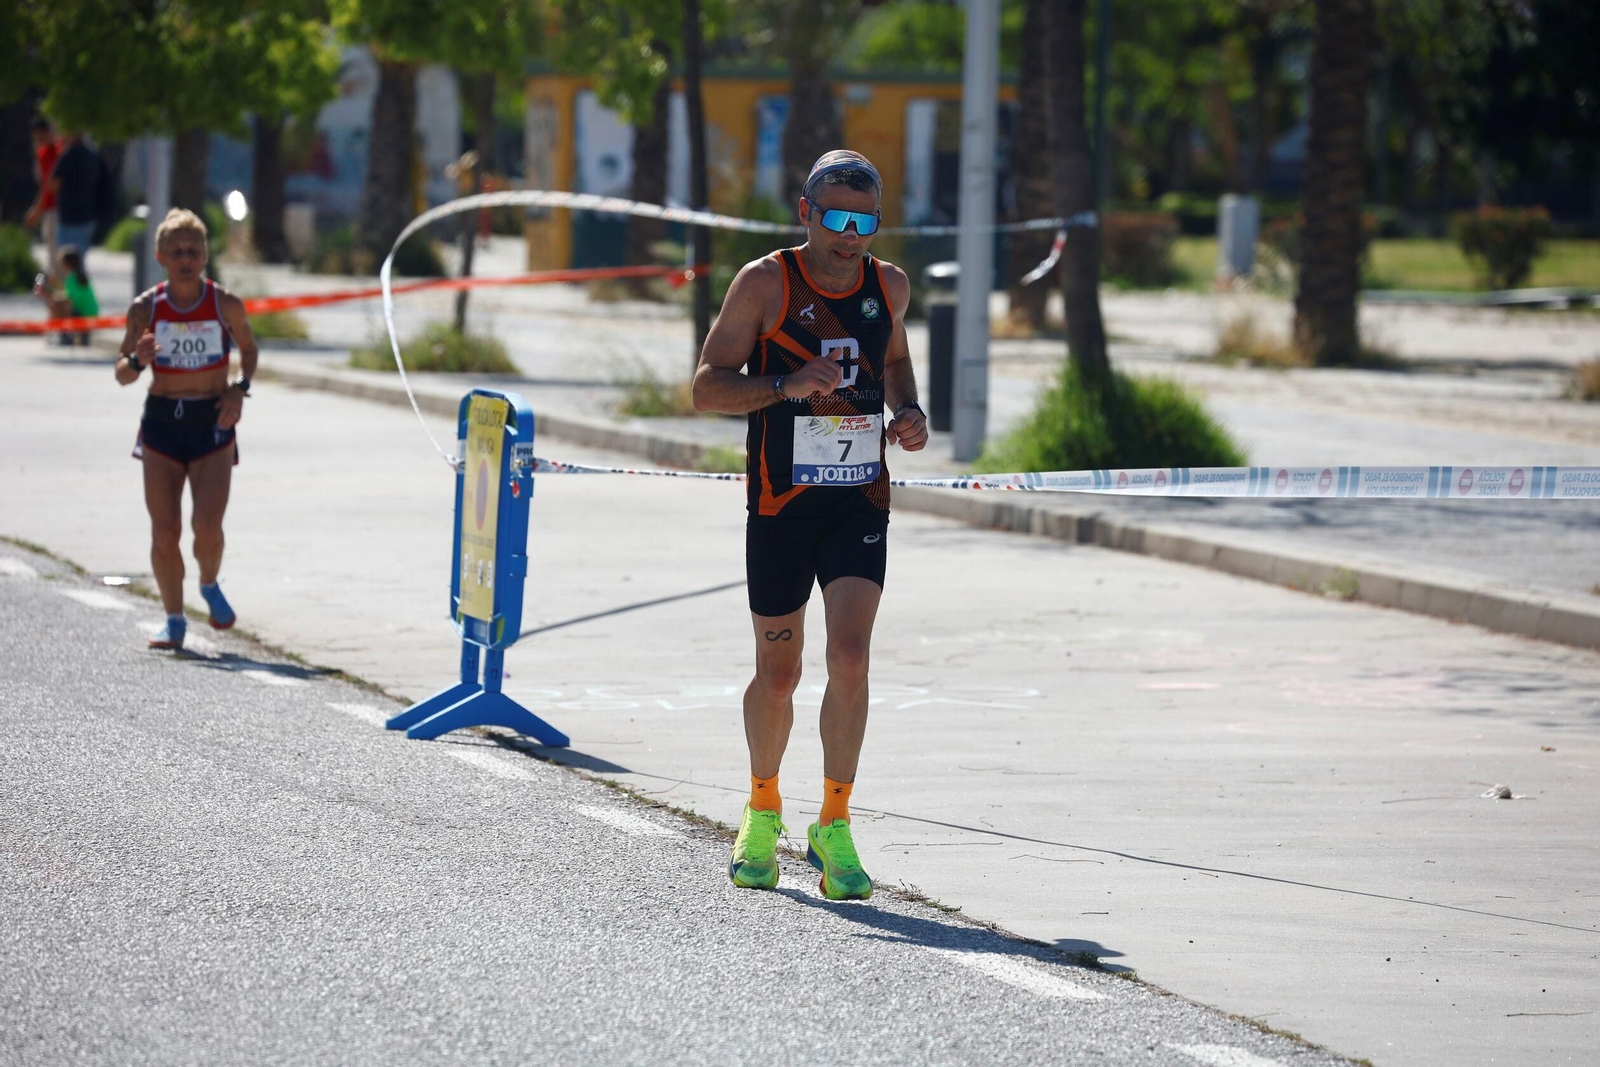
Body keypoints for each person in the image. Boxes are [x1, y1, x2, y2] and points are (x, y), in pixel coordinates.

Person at [691, 150, 929, 900]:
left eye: (866, 220)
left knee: (851, 658)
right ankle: (763, 804)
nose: (850, 234)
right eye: (836, 218)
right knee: (781, 672)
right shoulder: (764, 283)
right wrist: (784, 385)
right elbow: (706, 388)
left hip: (859, 497)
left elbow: (893, 360)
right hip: (781, 502)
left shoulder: (888, 284)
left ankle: (834, 821)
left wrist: (909, 410)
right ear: (806, 213)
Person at [114, 209, 259, 651]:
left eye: (193, 250)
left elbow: (249, 349)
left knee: (207, 524)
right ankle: (174, 620)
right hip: (161, 422)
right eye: (176, 251)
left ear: (205, 255)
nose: (185, 258)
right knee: (165, 528)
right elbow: (122, 373)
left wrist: (239, 388)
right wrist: (138, 358)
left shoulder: (224, 303)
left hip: (211, 420)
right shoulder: (146, 308)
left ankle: (209, 584)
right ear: (161, 257)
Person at [48, 132, 102, 262]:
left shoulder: (67, 155)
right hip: (87, 216)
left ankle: (71, 283)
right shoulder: (92, 156)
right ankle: (79, 282)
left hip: (68, 218)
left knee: (66, 262)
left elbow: (53, 184)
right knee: (80, 261)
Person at [32, 245, 98, 345]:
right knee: (55, 302)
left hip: (84, 314)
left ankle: (64, 334)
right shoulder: (78, 277)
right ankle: (60, 333)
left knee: (55, 305)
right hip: (89, 312)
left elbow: (67, 300)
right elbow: (67, 294)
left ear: (67, 264)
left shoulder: (73, 278)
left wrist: (47, 294)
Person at [23, 117, 61, 263]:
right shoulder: (44, 153)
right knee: (53, 252)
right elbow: (45, 186)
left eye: (41, 135)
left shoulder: (57, 151)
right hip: (50, 207)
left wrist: (36, 211)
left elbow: (48, 186)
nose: (39, 139)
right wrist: (37, 210)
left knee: (56, 253)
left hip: (57, 208)